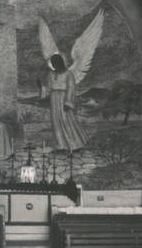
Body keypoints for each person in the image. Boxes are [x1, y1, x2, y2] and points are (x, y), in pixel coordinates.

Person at [38, 9, 104, 151]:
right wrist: (41, 88)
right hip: (54, 99)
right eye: (53, 63)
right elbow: (48, 89)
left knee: (67, 121)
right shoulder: (51, 74)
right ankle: (61, 145)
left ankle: (75, 144)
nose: (54, 65)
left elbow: (72, 89)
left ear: (60, 62)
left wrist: (68, 102)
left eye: (56, 62)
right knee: (56, 122)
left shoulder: (69, 74)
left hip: (63, 99)